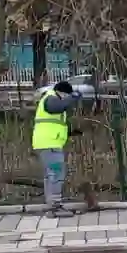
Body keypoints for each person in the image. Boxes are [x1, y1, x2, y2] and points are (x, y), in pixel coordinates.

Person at [32, 80, 81, 217]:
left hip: (46, 143)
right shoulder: (51, 98)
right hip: (49, 144)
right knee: (56, 174)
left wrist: (70, 131)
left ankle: (51, 205)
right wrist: (72, 97)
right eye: (66, 95)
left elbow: (53, 123)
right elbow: (58, 107)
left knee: (51, 175)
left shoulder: (50, 99)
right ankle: (55, 206)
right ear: (62, 92)